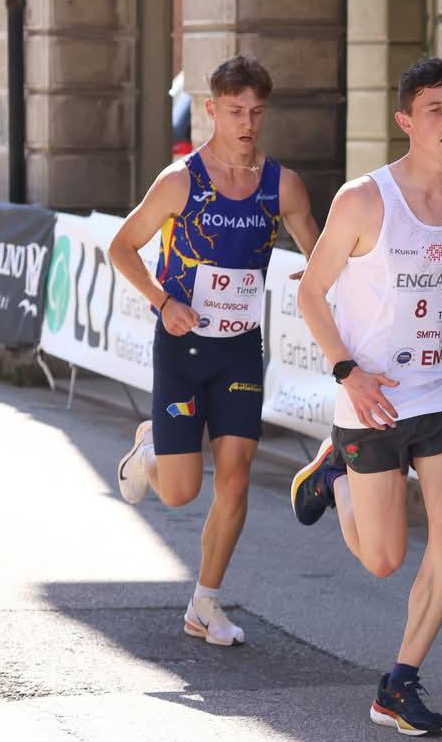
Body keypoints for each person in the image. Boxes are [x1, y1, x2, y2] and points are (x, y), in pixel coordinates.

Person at [287, 57, 442, 736]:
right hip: (371, 398)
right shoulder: (364, 200)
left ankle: (399, 682)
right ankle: (335, 474)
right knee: (382, 559)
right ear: (406, 121)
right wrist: (347, 372)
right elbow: (310, 292)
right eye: (435, 109)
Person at [111, 55, 320, 646]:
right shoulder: (180, 181)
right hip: (183, 348)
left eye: (256, 112)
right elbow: (122, 247)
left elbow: (321, 253)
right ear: (211, 111)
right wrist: (162, 302)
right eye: (234, 111)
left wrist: (325, 272)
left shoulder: (282, 186)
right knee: (181, 491)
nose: (246, 123)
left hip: (240, 350)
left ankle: (204, 603)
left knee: (236, 476)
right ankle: (150, 443)